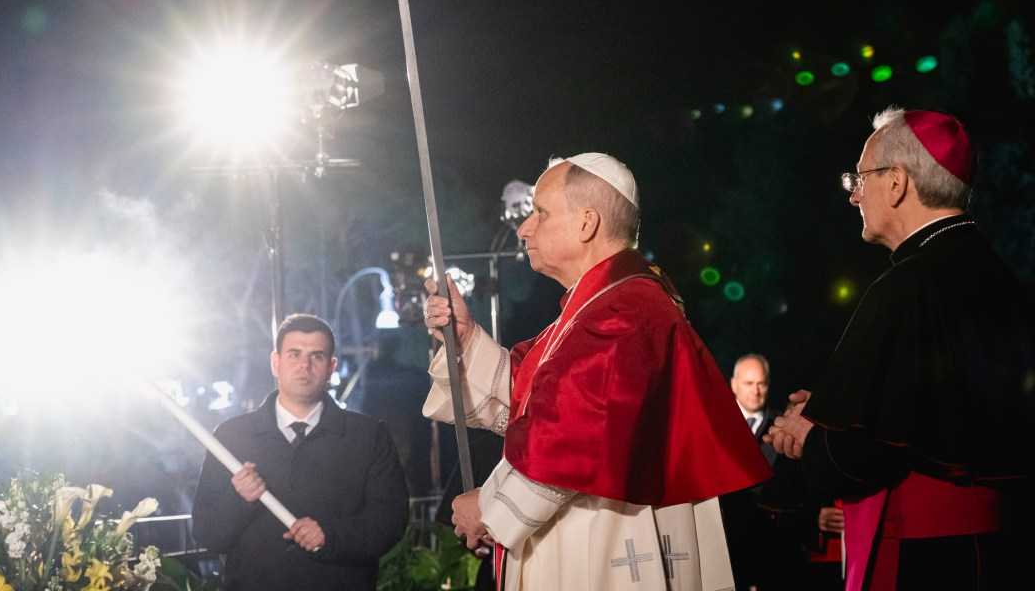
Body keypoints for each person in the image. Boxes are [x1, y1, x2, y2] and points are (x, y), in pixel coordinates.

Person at [424, 153, 772, 591]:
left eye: (541, 213)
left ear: (587, 223)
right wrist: (466, 336)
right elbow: (535, 396)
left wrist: (491, 509)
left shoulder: (627, 309)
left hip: (611, 538)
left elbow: (573, 431)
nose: (525, 227)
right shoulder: (597, 304)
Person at [765, 108, 1035, 590]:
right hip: (1006, 552)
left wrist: (810, 437)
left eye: (860, 178)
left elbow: (868, 453)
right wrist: (829, 415)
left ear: (896, 183)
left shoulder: (906, 287)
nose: (853, 195)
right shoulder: (1001, 277)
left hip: (929, 559)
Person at [191, 313, 408, 591]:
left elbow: (390, 522)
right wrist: (240, 499)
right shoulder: (232, 436)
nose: (304, 366)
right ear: (275, 362)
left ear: (331, 367)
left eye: (316, 356)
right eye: (294, 354)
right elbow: (206, 533)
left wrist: (330, 536)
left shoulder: (368, 436)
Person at [720, 354, 809, 590]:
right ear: (733, 384)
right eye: (749, 383)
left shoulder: (787, 426)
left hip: (777, 549)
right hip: (729, 548)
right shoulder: (716, 430)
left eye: (761, 384)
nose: (756, 391)